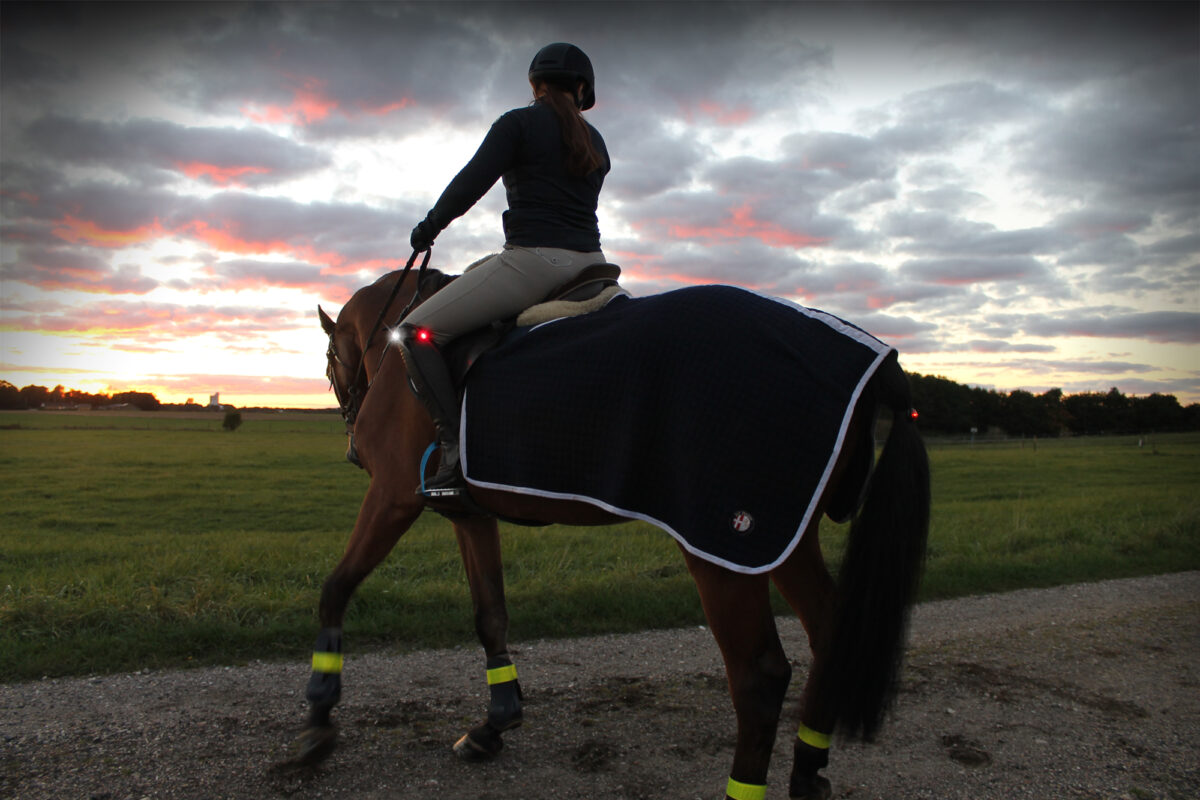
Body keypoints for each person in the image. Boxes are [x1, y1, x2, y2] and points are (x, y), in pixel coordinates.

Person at [398, 42, 612, 499]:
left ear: (536, 85)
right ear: (581, 89)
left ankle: (455, 452)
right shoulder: (597, 142)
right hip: (594, 266)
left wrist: (428, 228)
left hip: (534, 262)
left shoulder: (517, 123)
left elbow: (471, 182)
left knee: (416, 332)